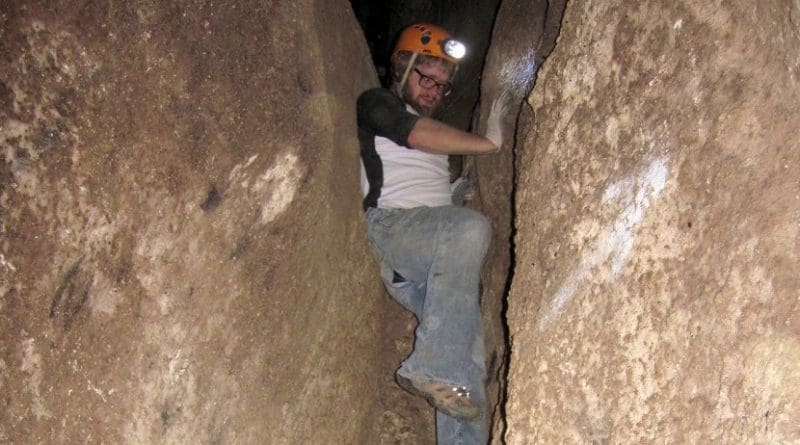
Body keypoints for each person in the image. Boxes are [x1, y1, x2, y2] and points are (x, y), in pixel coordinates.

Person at [356, 23, 508, 444]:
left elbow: (430, 181)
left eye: (442, 85)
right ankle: (432, 365)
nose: (434, 90)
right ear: (402, 69)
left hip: (429, 250)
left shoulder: (434, 136)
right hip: (392, 229)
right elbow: (414, 135)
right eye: (426, 77)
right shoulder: (377, 104)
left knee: (470, 352)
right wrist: (488, 143)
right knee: (468, 228)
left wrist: (458, 191)